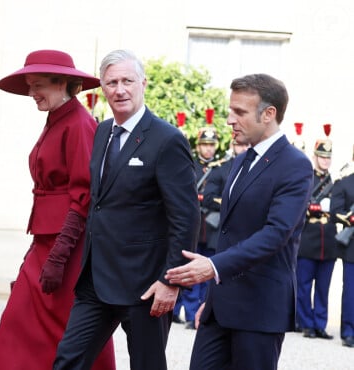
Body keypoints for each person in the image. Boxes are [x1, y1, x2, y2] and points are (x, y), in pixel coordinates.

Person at [53, 49, 199, 370]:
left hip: (145, 286)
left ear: (143, 83)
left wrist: (171, 280)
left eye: (127, 81)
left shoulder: (167, 140)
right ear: (103, 88)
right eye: (111, 83)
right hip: (96, 280)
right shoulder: (102, 131)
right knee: (68, 360)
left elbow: (185, 218)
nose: (120, 90)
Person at [165, 73, 314, 370]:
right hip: (220, 309)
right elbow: (231, 233)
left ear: (269, 114)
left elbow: (275, 234)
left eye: (240, 112)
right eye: (231, 110)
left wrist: (212, 266)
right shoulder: (241, 160)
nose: (230, 120)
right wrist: (214, 299)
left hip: (260, 309)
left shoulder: (295, 165)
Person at [0, 49, 116, 370]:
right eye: (30, 86)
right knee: (20, 323)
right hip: (46, 242)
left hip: (68, 247)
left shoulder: (80, 123)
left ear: (63, 83)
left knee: (65, 329)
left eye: (38, 85)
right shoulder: (57, 119)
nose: (31, 93)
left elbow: (83, 193)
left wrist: (58, 256)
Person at [174, 112, 220, 329]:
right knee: (189, 268)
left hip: (210, 227)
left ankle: (199, 313)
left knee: (207, 270)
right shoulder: (190, 164)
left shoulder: (221, 169)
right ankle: (190, 312)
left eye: (212, 145)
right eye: (205, 144)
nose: (208, 149)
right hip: (193, 224)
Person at [296, 128, 338, 339]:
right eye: (322, 156)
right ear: (315, 157)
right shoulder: (306, 179)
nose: (325, 161)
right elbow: (295, 207)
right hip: (308, 239)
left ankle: (320, 324)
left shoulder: (335, 182)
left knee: (323, 288)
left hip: (328, 241)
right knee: (303, 286)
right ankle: (306, 323)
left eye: (328, 157)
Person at [331, 147, 354, 348]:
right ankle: (348, 331)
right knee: (351, 292)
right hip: (352, 248)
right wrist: (350, 218)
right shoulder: (345, 184)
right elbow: (335, 212)